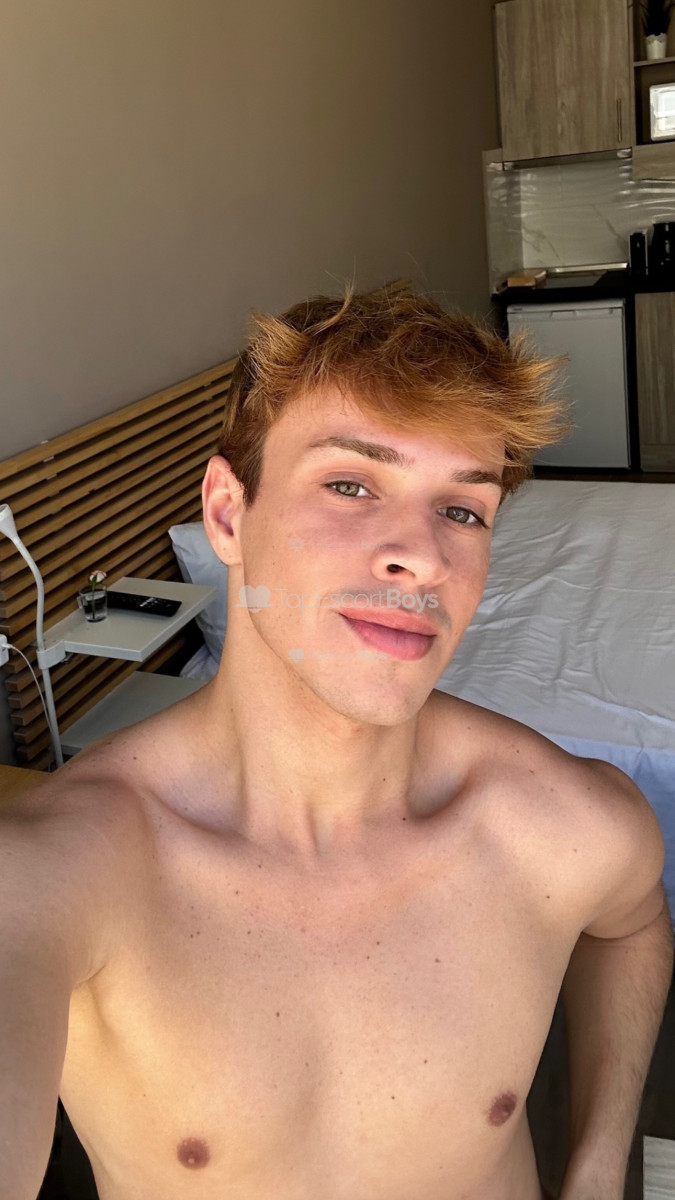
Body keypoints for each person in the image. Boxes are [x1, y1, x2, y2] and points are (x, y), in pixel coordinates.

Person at [2, 282, 673, 1200]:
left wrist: (595, 1169)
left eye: (462, 509)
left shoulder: (560, 823)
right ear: (227, 514)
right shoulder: (58, 875)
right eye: (350, 485)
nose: (423, 558)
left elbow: (630, 926)